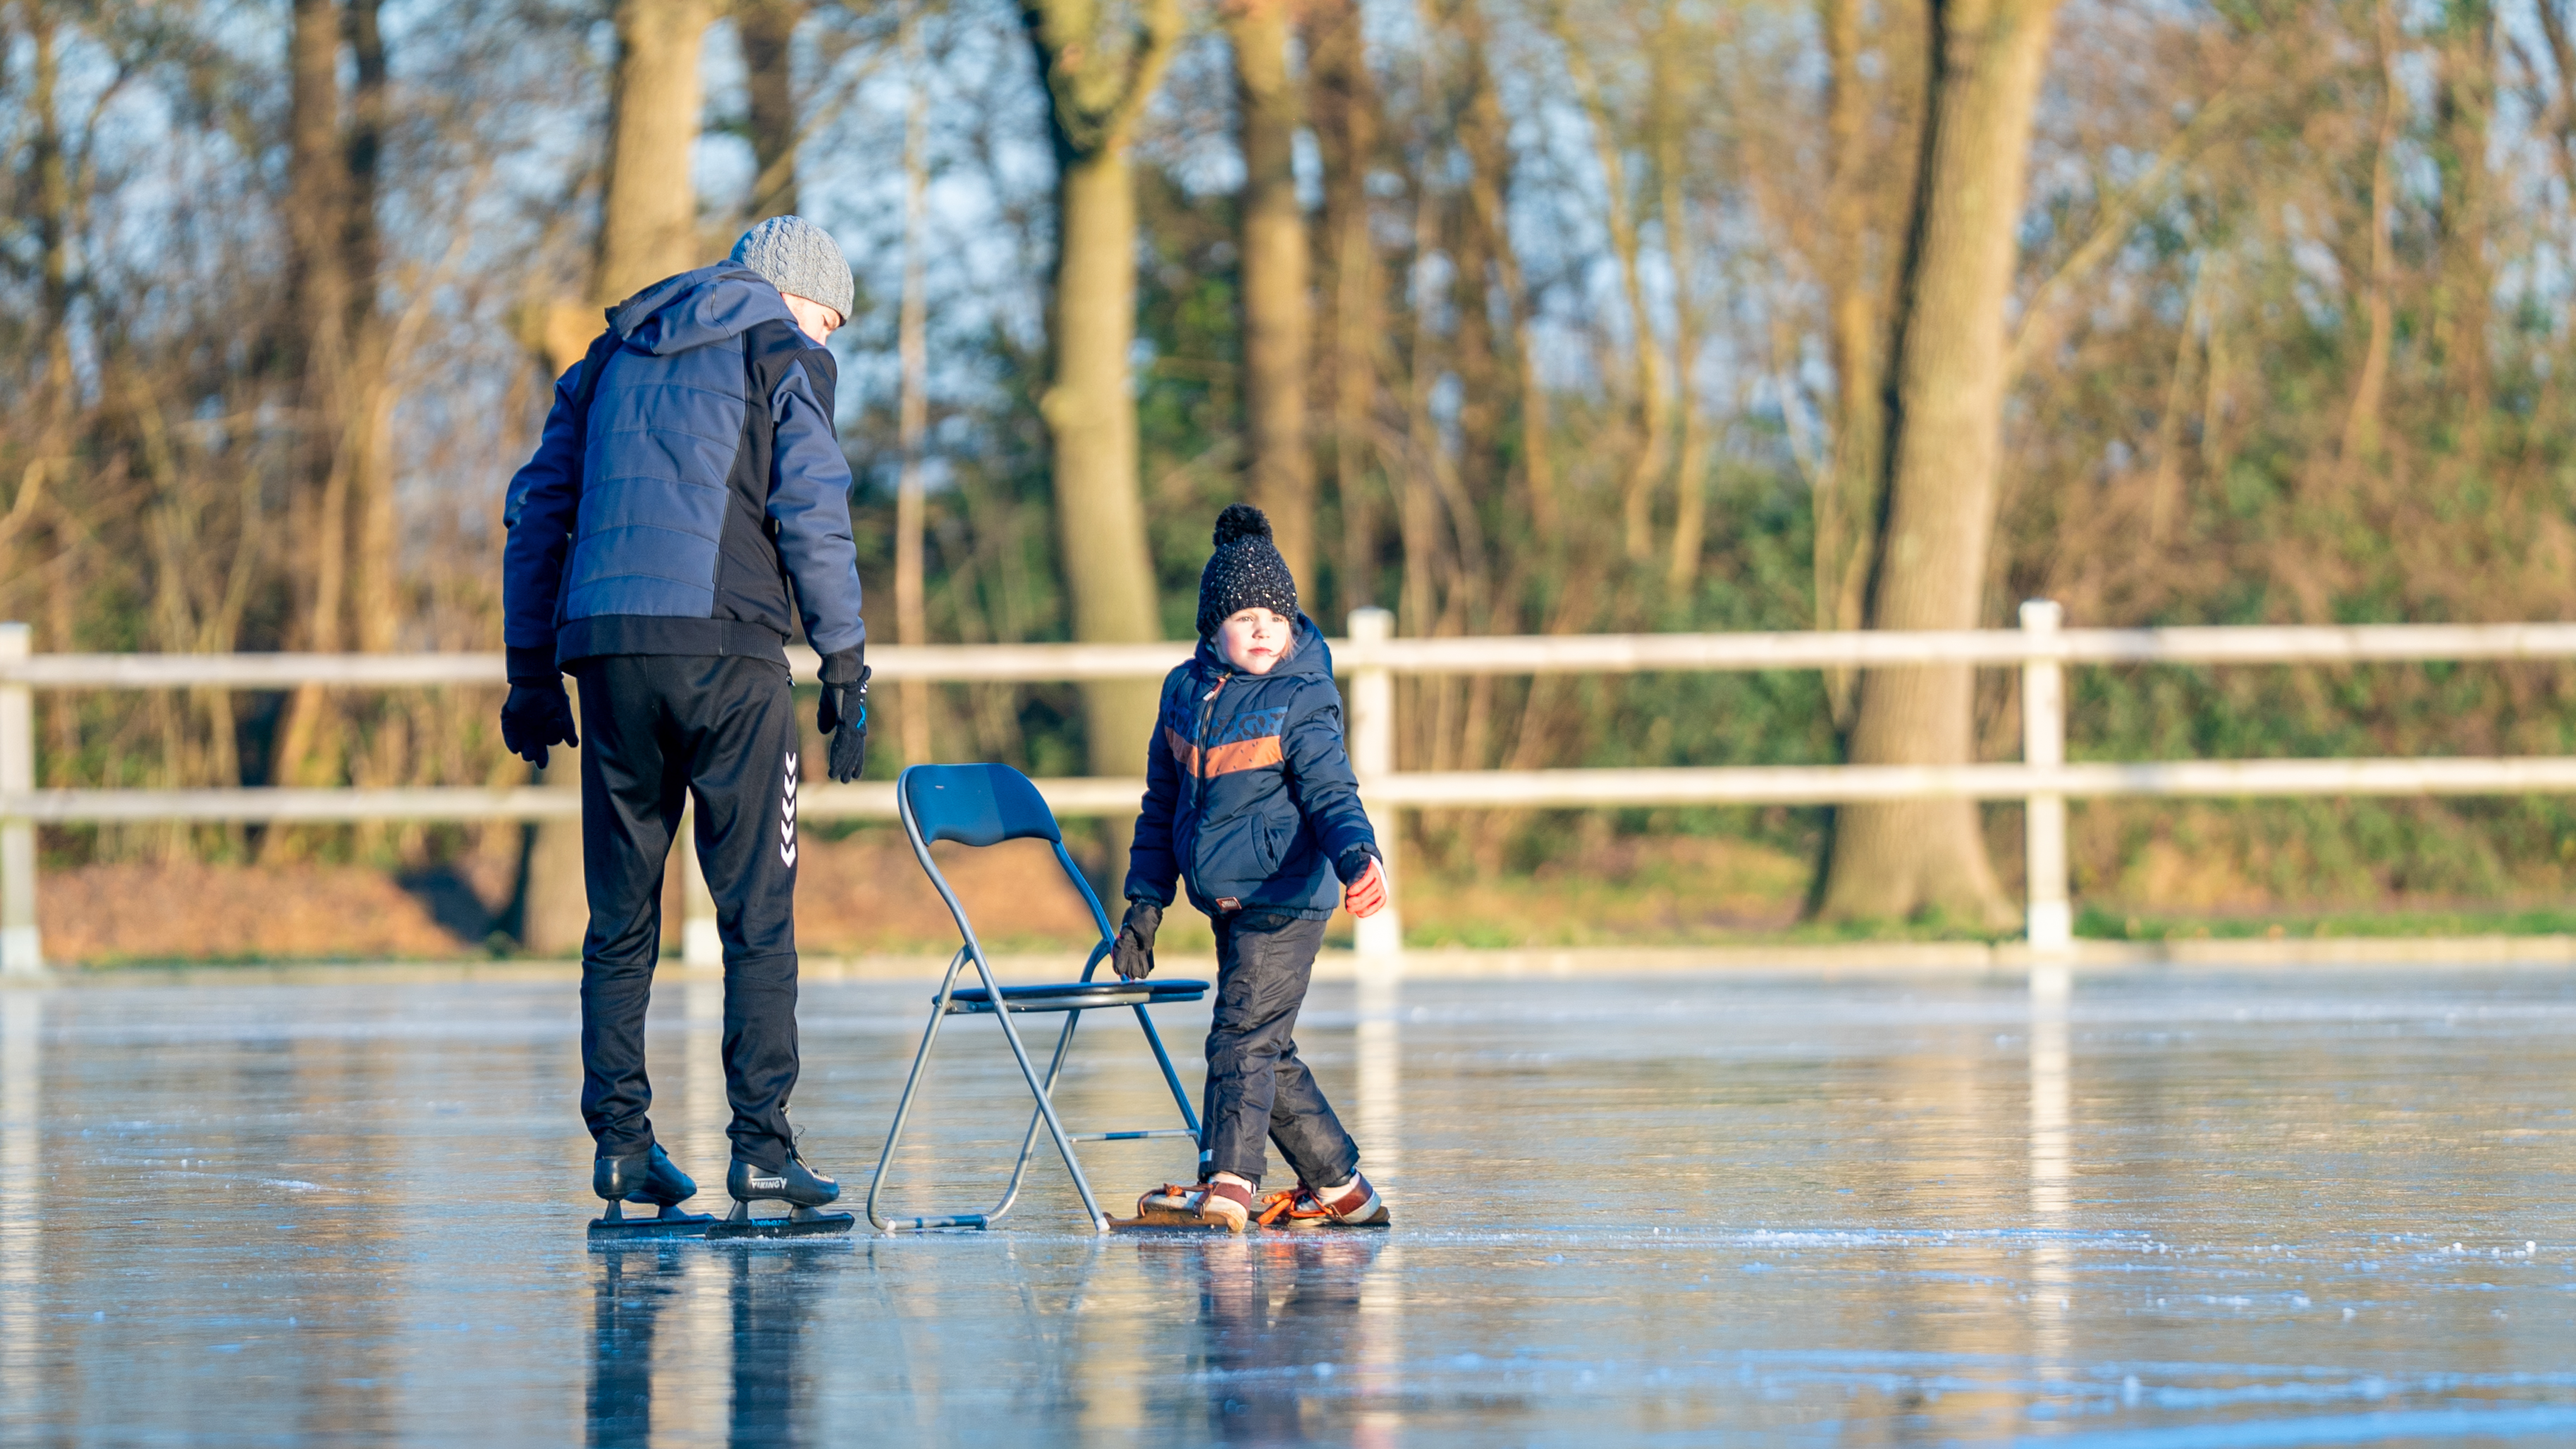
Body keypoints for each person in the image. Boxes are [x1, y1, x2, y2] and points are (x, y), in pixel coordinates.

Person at [498, 216, 871, 1232]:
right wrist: (844, 662)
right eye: (828, 318)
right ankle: (760, 1152)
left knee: (619, 917)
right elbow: (812, 507)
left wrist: (530, 672)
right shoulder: (778, 348)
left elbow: (538, 510)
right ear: (791, 295)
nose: (827, 342)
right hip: (729, 655)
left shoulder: (608, 353)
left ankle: (622, 1149)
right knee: (758, 912)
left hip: (607, 653)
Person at [1115, 504, 1394, 1233]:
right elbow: (1160, 807)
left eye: (1276, 612)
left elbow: (1333, 791)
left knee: (1239, 1037)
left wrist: (1358, 855)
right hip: (1230, 897)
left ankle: (1230, 1180)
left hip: (1288, 894)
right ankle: (1343, 1187)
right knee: (1266, 1046)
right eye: (1244, 615)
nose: (1264, 627)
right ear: (1213, 630)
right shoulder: (1183, 694)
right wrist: (1146, 904)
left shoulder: (1302, 696)